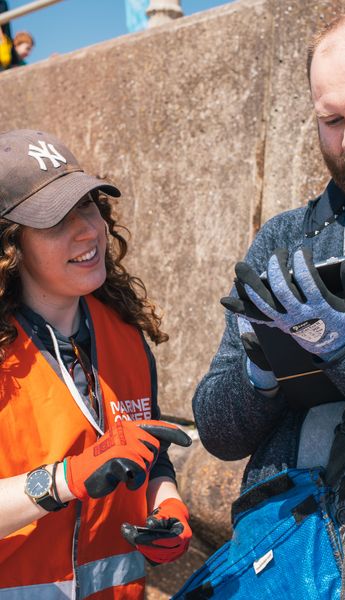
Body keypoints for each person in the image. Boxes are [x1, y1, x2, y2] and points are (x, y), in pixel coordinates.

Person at [193, 5, 345, 595]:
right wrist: (261, 370)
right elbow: (218, 434)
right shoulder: (286, 240)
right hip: (290, 558)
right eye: (331, 120)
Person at [0, 129, 192, 598]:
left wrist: (167, 506)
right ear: (10, 247)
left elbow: (151, 455)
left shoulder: (125, 335)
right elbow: (82, 473)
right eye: (53, 221)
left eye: (87, 205)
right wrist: (64, 480)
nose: (87, 231)